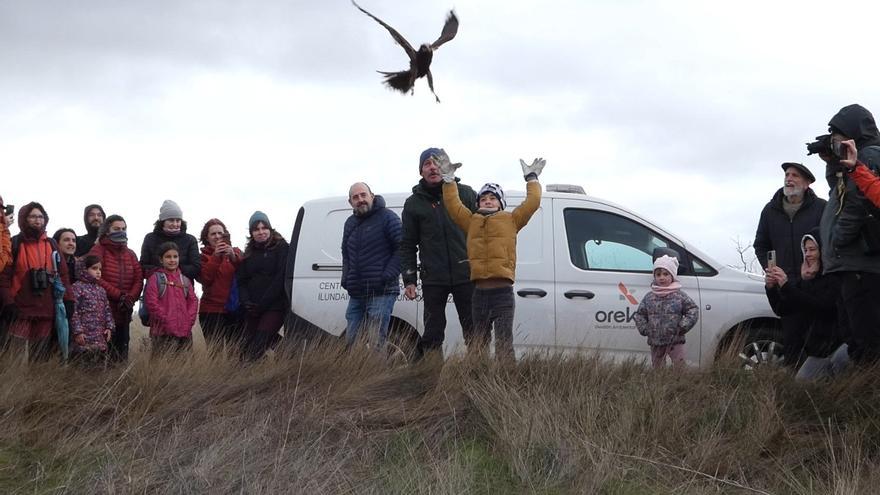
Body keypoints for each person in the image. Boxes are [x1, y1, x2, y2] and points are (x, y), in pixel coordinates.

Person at [439, 154, 544, 360]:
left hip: (503, 293)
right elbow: (453, 205)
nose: (487, 201)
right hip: (479, 294)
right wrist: (449, 180)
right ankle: (479, 381)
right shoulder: (471, 221)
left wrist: (531, 178)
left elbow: (532, 203)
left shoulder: (511, 220)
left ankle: (505, 383)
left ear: (501, 202)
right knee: (479, 344)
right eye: (483, 199)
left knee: (504, 344)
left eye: (492, 198)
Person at [400, 148, 478, 357]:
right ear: (421, 171)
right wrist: (409, 280)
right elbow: (407, 244)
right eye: (427, 163)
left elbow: (484, 233)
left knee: (475, 332)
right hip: (433, 278)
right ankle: (431, 380)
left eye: (437, 162)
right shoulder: (413, 204)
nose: (433, 167)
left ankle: (479, 378)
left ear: (447, 166)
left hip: (467, 276)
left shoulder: (467, 193)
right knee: (433, 334)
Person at [818, 104, 880, 366]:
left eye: (838, 132)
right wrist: (834, 161)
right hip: (849, 262)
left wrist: (839, 240)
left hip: (860, 262)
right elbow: (838, 191)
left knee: (866, 341)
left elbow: (856, 201)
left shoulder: (870, 155)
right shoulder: (858, 160)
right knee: (854, 338)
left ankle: (865, 397)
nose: (834, 138)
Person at [753, 162, 825, 365]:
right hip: (785, 288)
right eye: (787, 174)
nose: (789, 178)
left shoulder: (821, 207)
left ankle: (826, 389)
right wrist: (771, 269)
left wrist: (819, 270)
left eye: (795, 175)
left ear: (807, 182)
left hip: (815, 287)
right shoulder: (770, 210)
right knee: (792, 343)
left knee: (820, 343)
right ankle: (794, 388)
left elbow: (829, 243)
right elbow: (760, 244)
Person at [764, 229, 844, 375]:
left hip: (840, 347)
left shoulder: (836, 277)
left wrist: (787, 287)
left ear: (823, 250)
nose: (807, 254)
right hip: (818, 352)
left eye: (812, 249)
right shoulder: (806, 280)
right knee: (802, 385)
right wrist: (771, 288)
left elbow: (823, 308)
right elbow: (782, 309)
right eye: (805, 249)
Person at [0, 202, 71, 361]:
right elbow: (4, 278)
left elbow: (63, 275)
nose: (37, 220)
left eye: (40, 216)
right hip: (20, 311)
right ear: (24, 219)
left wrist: (69, 300)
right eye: (32, 216)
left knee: (40, 361)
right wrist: (8, 303)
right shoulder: (15, 243)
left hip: (46, 311)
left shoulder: (51, 244)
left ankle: (37, 387)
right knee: (14, 360)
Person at [341, 182, 402, 351]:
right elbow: (345, 252)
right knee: (351, 341)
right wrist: (345, 278)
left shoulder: (388, 217)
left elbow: (403, 249)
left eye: (363, 195)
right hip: (357, 292)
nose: (360, 200)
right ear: (350, 202)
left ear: (372, 196)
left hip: (382, 291)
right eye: (355, 197)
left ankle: (378, 376)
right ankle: (357, 376)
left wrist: (386, 276)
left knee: (376, 342)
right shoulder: (350, 223)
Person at [88, 215, 143, 362]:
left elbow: (138, 278)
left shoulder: (130, 253)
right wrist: (119, 295)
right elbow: (94, 276)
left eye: (124, 229)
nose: (121, 231)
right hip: (103, 313)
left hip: (124, 312)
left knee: (121, 355)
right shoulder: (98, 250)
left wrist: (130, 297)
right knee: (101, 356)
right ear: (107, 230)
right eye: (116, 229)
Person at [237, 211, 288, 361]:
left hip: (274, 306)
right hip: (252, 307)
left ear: (270, 229)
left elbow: (280, 279)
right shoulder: (249, 253)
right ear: (251, 233)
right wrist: (246, 302)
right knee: (244, 350)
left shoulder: (282, 247)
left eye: (264, 228)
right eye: (256, 229)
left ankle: (290, 355)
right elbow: (241, 280)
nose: (261, 232)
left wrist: (262, 304)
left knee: (256, 348)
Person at [633, 255, 699, 368]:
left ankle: (680, 385)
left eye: (665, 274)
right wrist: (645, 329)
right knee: (658, 369)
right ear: (654, 276)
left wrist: (682, 326)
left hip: (675, 340)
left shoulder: (679, 295)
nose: (662, 277)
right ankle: (660, 385)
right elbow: (640, 315)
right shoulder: (649, 297)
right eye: (658, 274)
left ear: (672, 276)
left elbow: (693, 310)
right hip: (656, 341)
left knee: (680, 366)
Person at [144, 242, 198, 356]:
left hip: (184, 332)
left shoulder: (185, 280)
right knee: (161, 367)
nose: (172, 260)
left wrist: (189, 321)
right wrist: (167, 321)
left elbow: (193, 301)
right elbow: (151, 303)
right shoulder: (155, 278)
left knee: (185, 367)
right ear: (161, 260)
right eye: (168, 257)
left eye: (175, 256)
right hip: (162, 333)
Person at [197, 218, 243, 346]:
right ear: (206, 238)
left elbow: (245, 274)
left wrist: (233, 257)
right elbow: (205, 279)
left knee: (234, 353)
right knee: (214, 354)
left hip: (234, 310)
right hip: (211, 311)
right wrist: (216, 256)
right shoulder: (202, 257)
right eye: (213, 234)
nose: (217, 237)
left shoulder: (237, 252)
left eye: (220, 233)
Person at [69, 254, 114, 367]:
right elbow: (73, 311)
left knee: (98, 365)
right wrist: (78, 331)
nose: (98, 272)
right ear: (84, 269)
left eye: (100, 269)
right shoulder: (77, 287)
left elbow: (107, 310)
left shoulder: (101, 290)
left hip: (100, 335)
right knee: (82, 365)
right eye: (94, 268)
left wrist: (109, 327)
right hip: (84, 336)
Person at [139, 200, 200, 280]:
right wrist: (163, 271)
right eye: (171, 220)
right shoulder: (150, 238)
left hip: (182, 288)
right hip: (157, 287)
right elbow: (143, 267)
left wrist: (174, 270)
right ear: (163, 221)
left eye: (178, 220)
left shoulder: (190, 240)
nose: (175, 224)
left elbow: (196, 268)